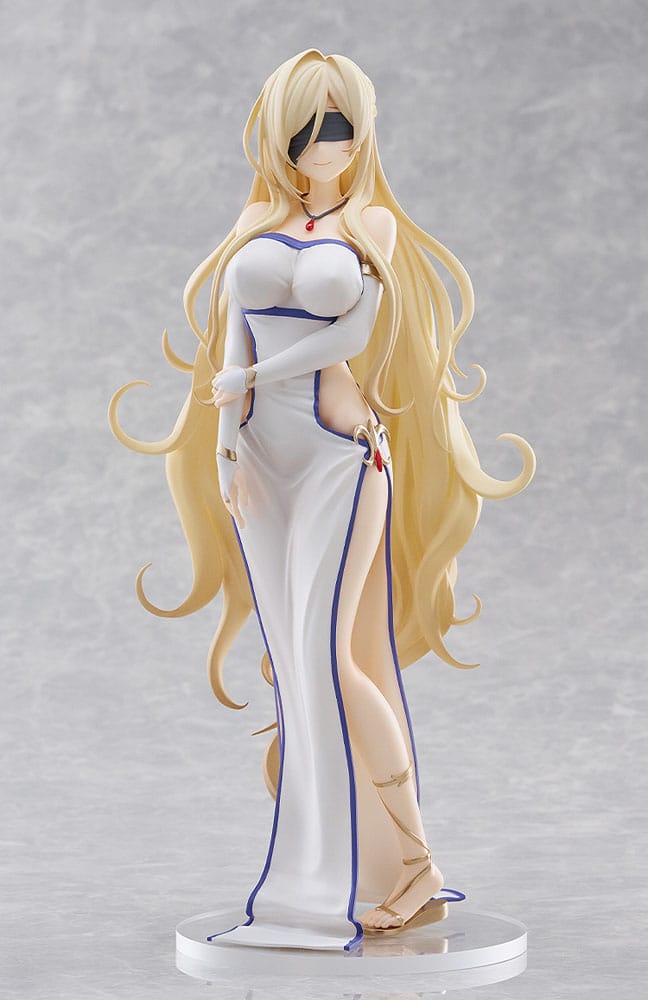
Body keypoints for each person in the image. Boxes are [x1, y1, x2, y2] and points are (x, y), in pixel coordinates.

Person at [108, 49, 535, 952]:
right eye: (306, 129)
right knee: (298, 669)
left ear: (362, 132)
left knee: (330, 659)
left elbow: (351, 332)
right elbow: (232, 333)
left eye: (340, 127)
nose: (325, 144)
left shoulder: (369, 222)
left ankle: (415, 861)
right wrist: (225, 443)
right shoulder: (257, 220)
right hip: (260, 465)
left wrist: (254, 377)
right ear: (279, 135)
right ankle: (363, 867)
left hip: (341, 456)